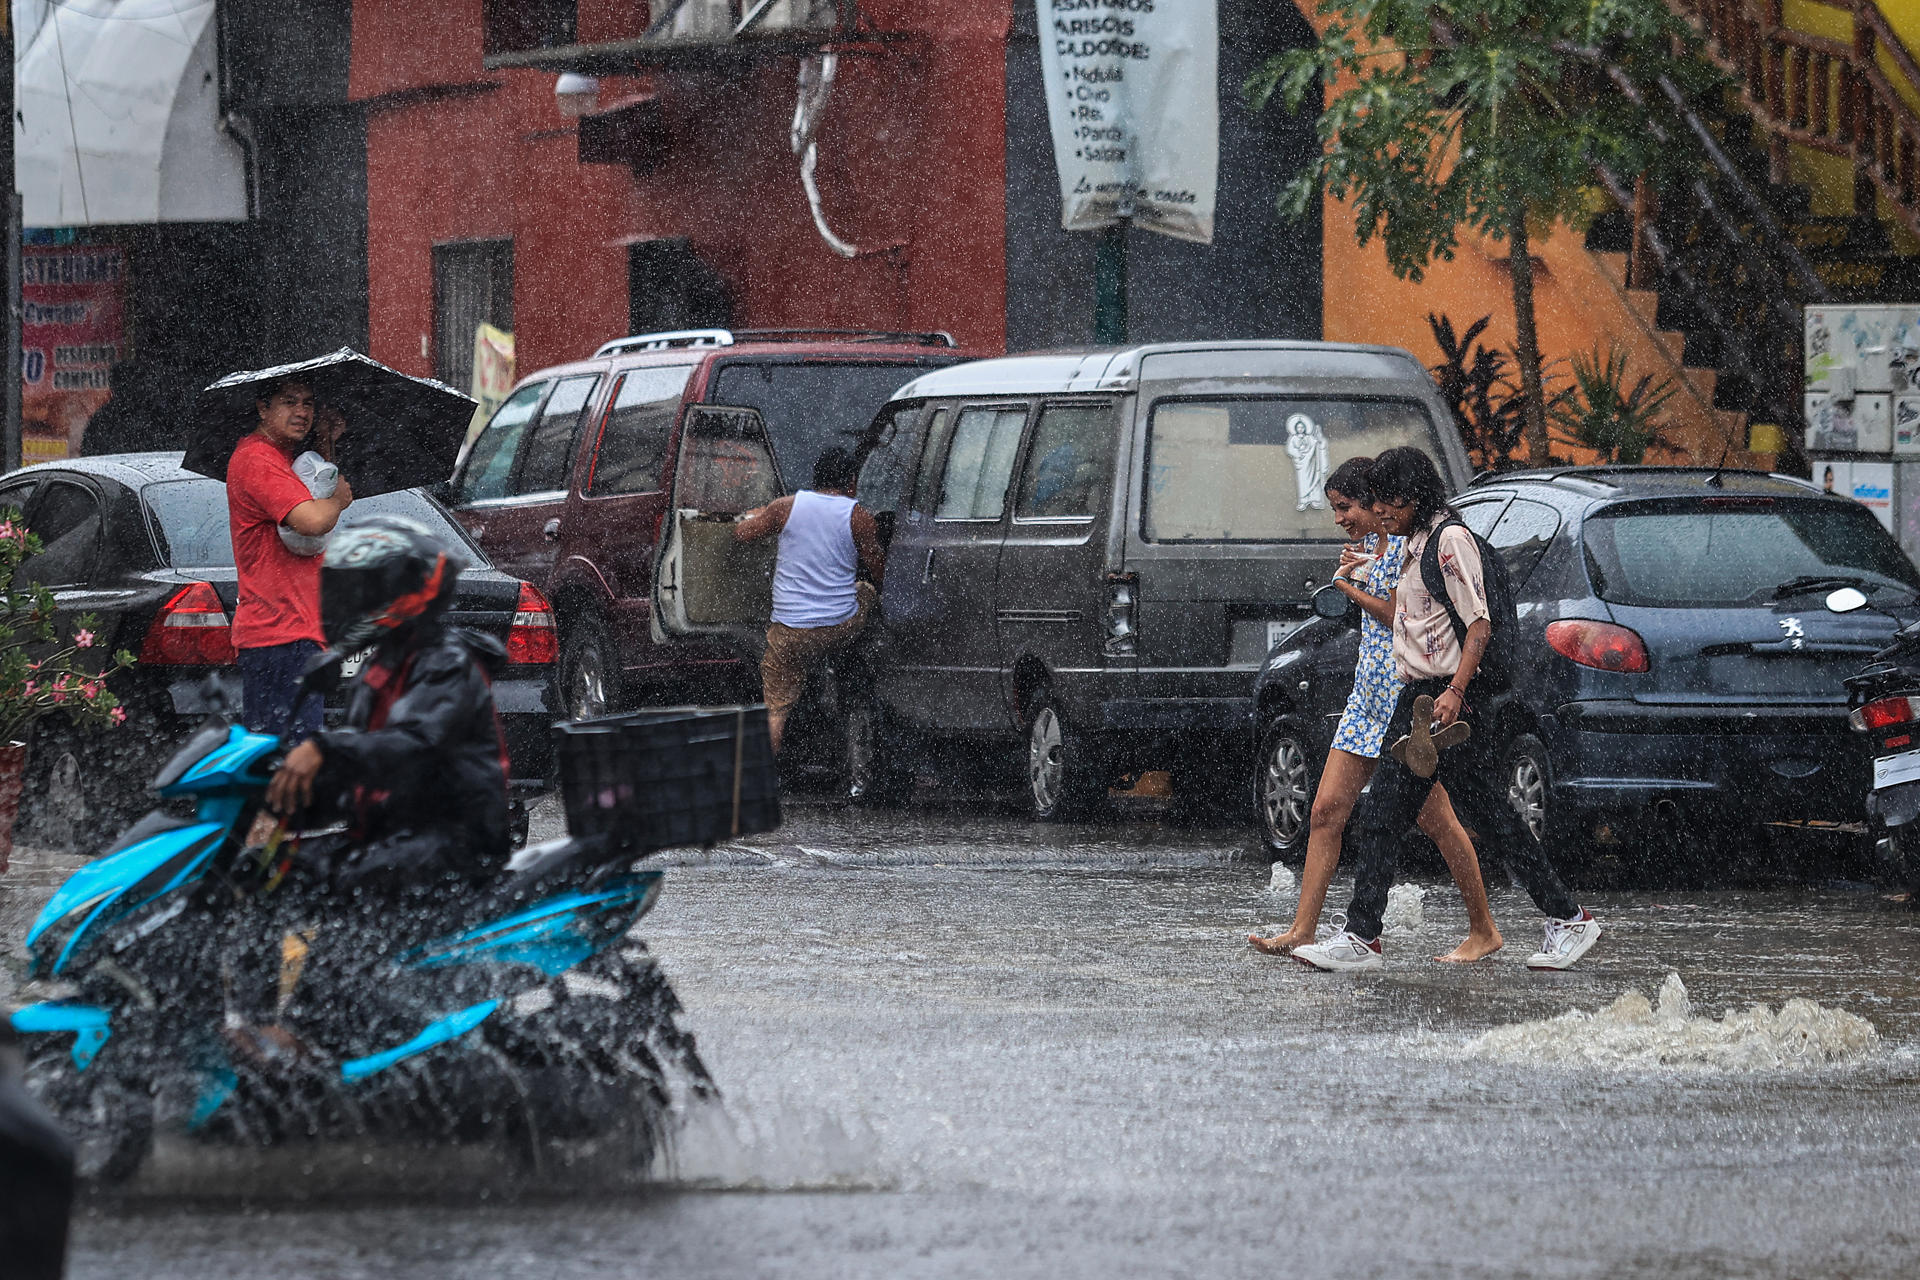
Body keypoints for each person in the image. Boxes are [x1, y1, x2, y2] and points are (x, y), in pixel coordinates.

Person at [1293, 447, 1602, 972]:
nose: (1381, 511)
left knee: (1438, 816)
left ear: (1413, 496)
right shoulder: (1416, 543)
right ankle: (1363, 935)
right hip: (1417, 701)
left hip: (1447, 703)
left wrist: (1455, 692)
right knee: (1413, 815)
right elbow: (1411, 608)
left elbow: (1478, 624)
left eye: (1389, 501)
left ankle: (1565, 918)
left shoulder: (1450, 540)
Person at [1249, 458, 1504, 962]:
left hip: (1403, 704)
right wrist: (1355, 574)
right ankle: (1303, 929)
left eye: (1347, 507)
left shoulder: (1409, 548)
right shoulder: (1367, 549)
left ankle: (1482, 927)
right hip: (1364, 700)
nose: (1341, 518)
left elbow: (1398, 619)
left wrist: (1347, 589)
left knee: (1437, 822)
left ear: (1373, 503)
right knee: (1325, 812)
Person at [265, 516, 512, 896]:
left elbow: (414, 746)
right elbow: (360, 776)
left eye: (361, 589)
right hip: (388, 833)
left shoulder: (446, 662)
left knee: (348, 885)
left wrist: (325, 748)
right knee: (266, 868)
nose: (349, 601)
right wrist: (283, 798)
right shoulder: (377, 668)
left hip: (453, 840)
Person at [732, 448, 886, 753]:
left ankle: (764, 775)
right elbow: (879, 568)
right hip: (838, 627)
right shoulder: (860, 517)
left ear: (815, 479)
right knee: (865, 590)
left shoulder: (784, 508)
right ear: (851, 483)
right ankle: (849, 665)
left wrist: (755, 514)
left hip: (789, 632)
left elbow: (741, 534)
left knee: (775, 708)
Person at [227, 377, 354, 739]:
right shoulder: (257, 459)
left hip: (296, 632)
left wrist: (327, 442)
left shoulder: (284, 460)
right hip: (279, 636)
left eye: (309, 404)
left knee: (288, 761)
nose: (302, 412)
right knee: (287, 763)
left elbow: (315, 489)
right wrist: (338, 502)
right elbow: (312, 521)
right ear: (262, 408)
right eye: (290, 402)